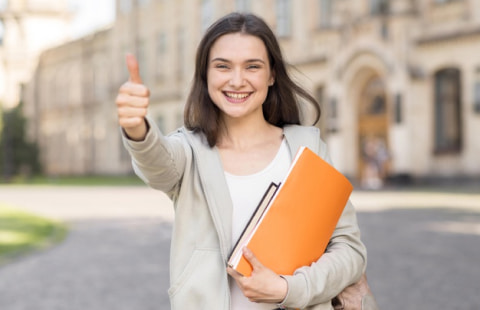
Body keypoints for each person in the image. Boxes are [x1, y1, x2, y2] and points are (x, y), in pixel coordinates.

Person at [116, 12, 375, 310]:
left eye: (252, 66)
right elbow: (157, 164)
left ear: (272, 74)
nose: (237, 81)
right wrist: (137, 127)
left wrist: (287, 289)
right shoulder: (188, 152)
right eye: (222, 66)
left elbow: (349, 250)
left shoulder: (308, 147)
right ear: (206, 75)